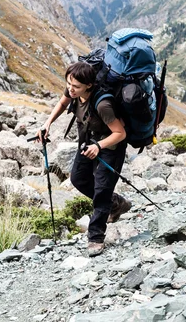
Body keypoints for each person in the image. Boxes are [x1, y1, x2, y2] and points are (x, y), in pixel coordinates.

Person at [37, 62, 132, 257]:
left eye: (76, 86)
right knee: (78, 179)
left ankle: (96, 237)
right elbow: (63, 102)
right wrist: (48, 123)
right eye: (68, 83)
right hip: (88, 141)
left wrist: (99, 147)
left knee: (101, 190)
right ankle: (116, 203)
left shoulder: (103, 104)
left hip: (110, 147)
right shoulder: (73, 90)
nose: (70, 89)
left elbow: (120, 133)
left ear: (89, 85)